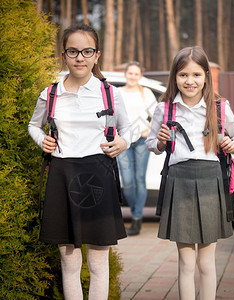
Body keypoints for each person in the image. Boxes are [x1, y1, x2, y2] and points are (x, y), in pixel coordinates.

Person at [28, 24, 131, 300]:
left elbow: (129, 130)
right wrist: (42, 141)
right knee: (69, 261)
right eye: (73, 51)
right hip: (62, 174)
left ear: (97, 55)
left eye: (87, 51)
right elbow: (34, 126)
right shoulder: (50, 94)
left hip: (99, 174)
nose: (80, 58)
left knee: (98, 262)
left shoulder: (110, 93)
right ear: (64, 55)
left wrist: (122, 143)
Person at [146, 46, 234, 300]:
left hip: (210, 180)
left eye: (196, 75)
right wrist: (159, 141)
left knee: (206, 261)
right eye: (182, 75)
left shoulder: (220, 107)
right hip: (178, 180)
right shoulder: (164, 109)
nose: (189, 81)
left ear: (206, 76)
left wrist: (232, 145)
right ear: (174, 77)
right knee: (186, 261)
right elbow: (151, 144)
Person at [117, 61, 157, 236]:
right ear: (125, 74)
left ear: (140, 76)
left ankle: (136, 219)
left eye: (136, 74)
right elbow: (113, 116)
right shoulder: (118, 93)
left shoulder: (146, 93)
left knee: (139, 178)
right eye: (130, 73)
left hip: (141, 140)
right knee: (127, 181)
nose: (133, 76)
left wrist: (149, 129)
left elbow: (157, 116)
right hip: (124, 141)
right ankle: (136, 212)